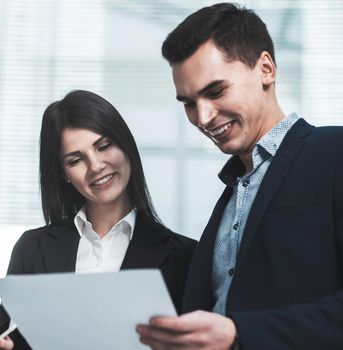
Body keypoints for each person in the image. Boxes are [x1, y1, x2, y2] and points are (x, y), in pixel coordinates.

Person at [137, 3, 343, 350]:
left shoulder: (334, 153)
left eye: (216, 91)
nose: (202, 116)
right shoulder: (233, 193)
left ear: (265, 68)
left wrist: (239, 335)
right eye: (188, 102)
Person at [0, 90, 196, 349]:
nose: (96, 166)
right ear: (64, 174)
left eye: (103, 146)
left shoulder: (185, 257)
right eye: (76, 159)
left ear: (126, 145)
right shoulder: (32, 248)